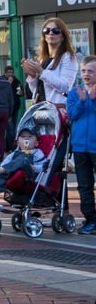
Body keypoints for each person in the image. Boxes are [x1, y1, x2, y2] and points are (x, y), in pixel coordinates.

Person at [0, 125, 46, 215]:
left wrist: (34, 167)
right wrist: (2, 169)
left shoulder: (37, 153)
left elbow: (44, 167)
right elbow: (5, 165)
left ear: (36, 143)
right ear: (18, 142)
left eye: (30, 137)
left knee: (23, 160)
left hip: (28, 175)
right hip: (12, 174)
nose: (26, 139)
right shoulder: (14, 153)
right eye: (23, 137)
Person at [66, 55, 96, 235]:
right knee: (84, 185)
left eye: (90, 71)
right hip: (79, 147)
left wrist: (92, 100)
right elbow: (72, 115)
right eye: (84, 71)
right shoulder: (75, 92)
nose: (86, 74)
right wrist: (82, 100)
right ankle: (91, 220)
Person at [22, 17, 78, 107]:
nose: (51, 33)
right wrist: (32, 77)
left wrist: (41, 72)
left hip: (58, 110)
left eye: (56, 30)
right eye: (46, 30)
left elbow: (65, 87)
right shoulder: (42, 59)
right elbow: (38, 90)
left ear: (63, 36)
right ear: (44, 36)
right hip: (41, 108)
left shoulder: (68, 57)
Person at [4, 65, 25, 150]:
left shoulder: (16, 81)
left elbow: (21, 91)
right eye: (9, 72)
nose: (10, 74)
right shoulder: (3, 81)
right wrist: (8, 84)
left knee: (12, 127)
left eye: (12, 72)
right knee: (10, 128)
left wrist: (21, 92)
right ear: (5, 73)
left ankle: (7, 147)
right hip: (6, 108)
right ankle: (12, 147)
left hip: (15, 108)